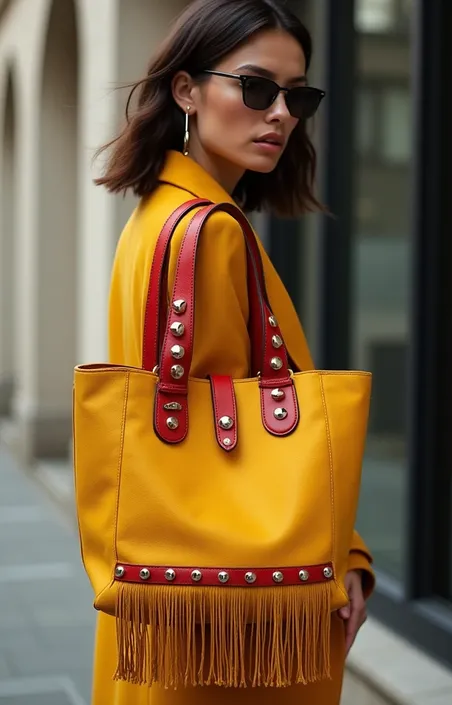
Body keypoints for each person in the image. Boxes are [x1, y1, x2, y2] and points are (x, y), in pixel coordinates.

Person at [92, 0, 374, 703]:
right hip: (232, 639)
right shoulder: (212, 233)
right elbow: (234, 452)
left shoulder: (155, 215)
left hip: (170, 619)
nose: (280, 112)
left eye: (296, 95)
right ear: (187, 90)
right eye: (255, 87)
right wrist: (346, 556)